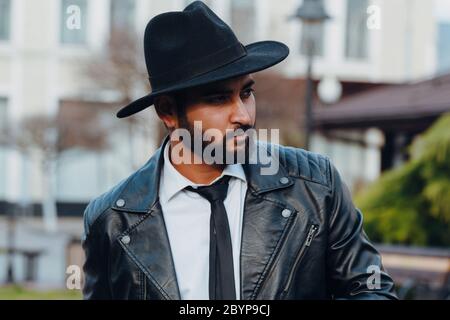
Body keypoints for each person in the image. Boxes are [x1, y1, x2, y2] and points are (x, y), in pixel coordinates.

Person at [82, 1, 397, 300]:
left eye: (246, 92)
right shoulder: (111, 219)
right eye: (218, 99)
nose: (244, 116)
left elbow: (371, 288)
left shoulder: (315, 186)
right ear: (167, 111)